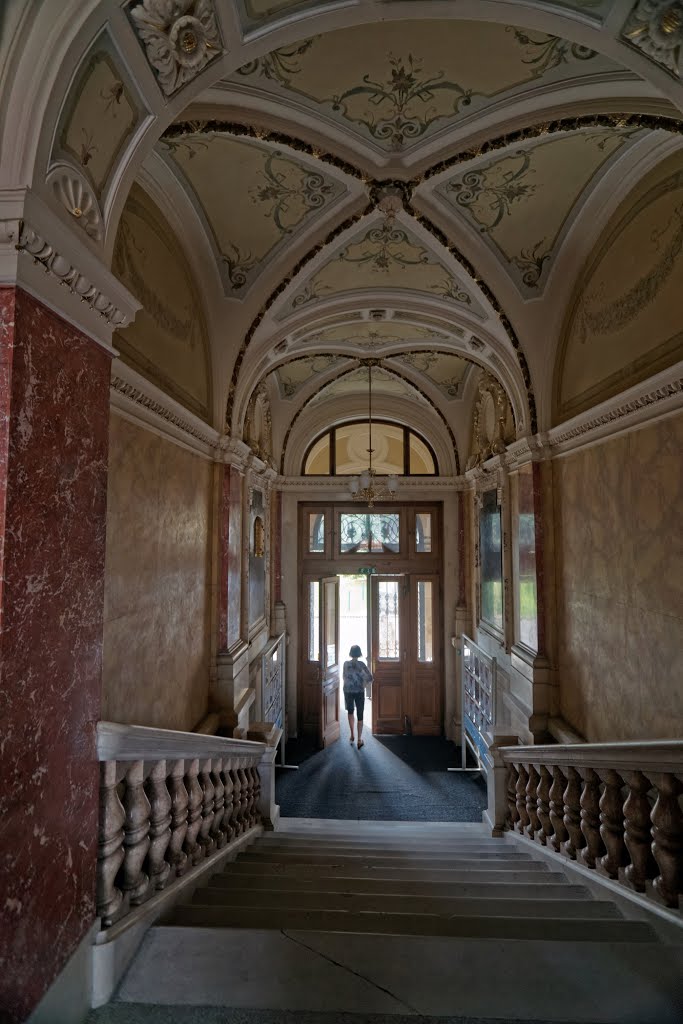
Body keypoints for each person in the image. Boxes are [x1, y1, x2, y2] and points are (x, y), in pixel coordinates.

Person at [342, 644, 373, 749]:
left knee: (350, 712)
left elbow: (343, 677)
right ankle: (359, 739)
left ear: (350, 653)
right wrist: (363, 685)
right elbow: (370, 678)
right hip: (359, 691)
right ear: (359, 654)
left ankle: (352, 735)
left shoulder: (345, 664)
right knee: (360, 714)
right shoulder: (362, 665)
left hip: (348, 691)